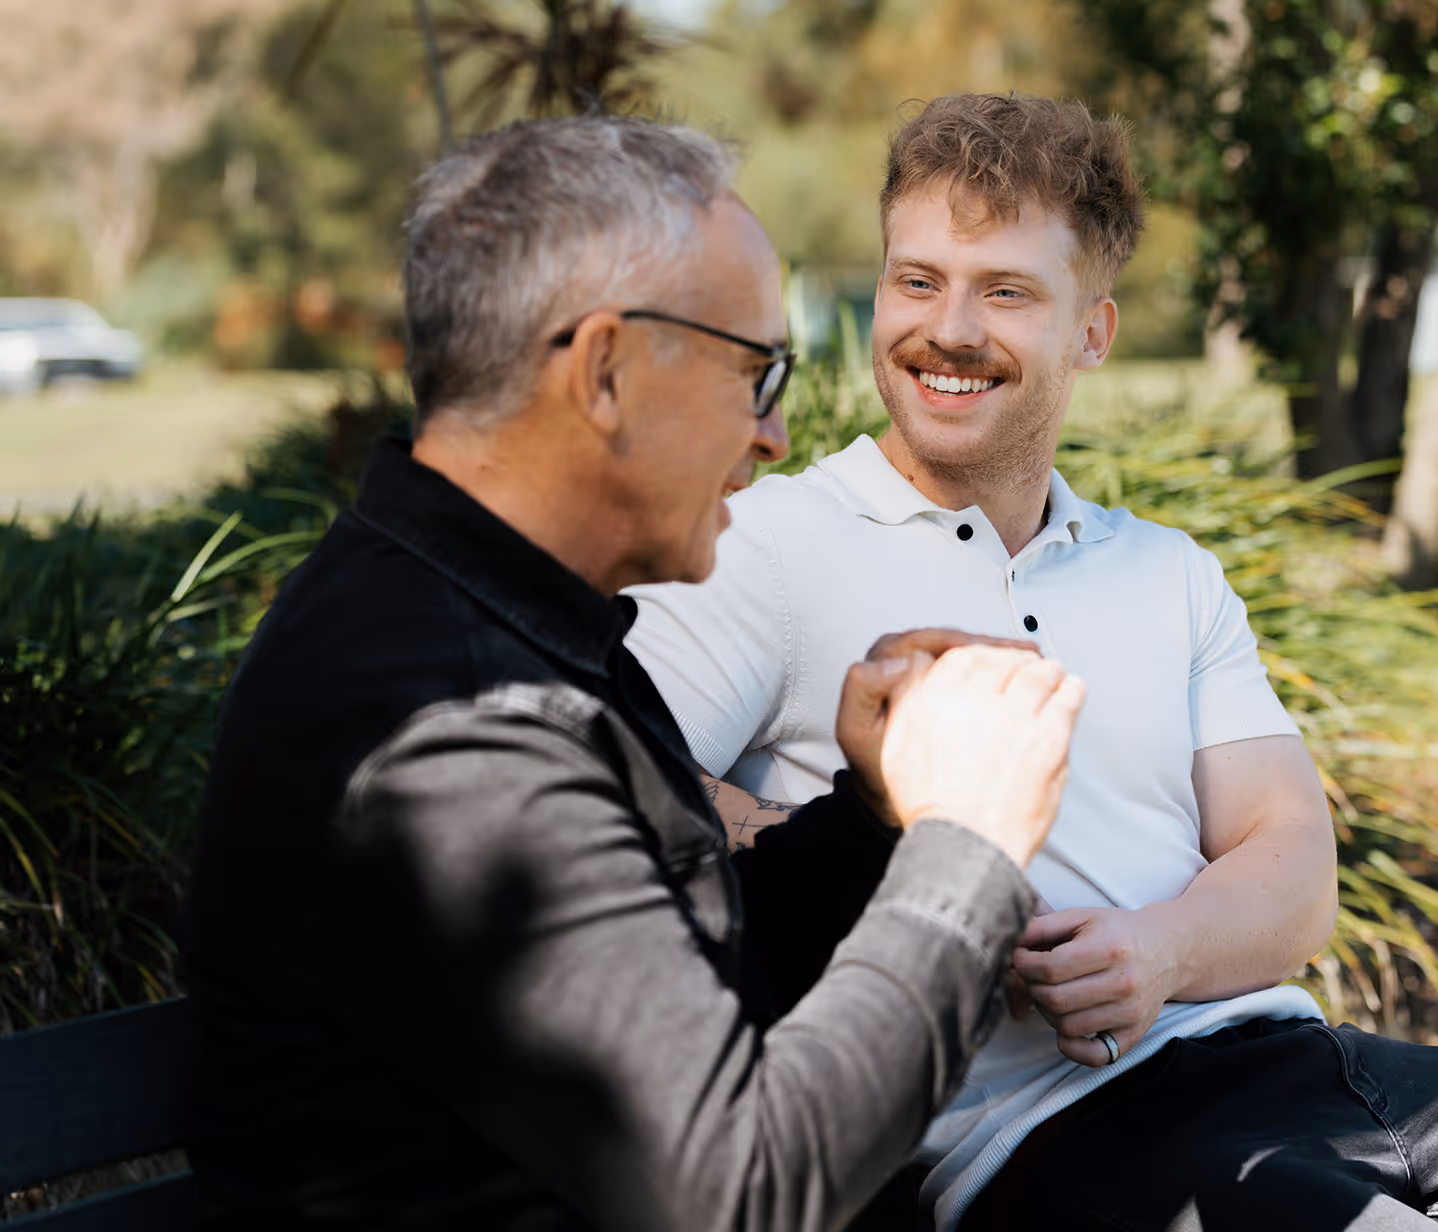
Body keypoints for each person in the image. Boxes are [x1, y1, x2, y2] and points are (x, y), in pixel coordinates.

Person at [625, 93, 1438, 1231]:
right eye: (917, 280)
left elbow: (1294, 862)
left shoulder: (1167, 571)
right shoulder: (772, 544)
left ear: (1092, 332)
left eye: (1005, 291)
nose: (948, 329)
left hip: (1305, 1064)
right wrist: (876, 863)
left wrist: (1157, 952)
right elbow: (616, 779)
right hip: (1050, 1138)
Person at [185, 114, 1089, 1232]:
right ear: (606, 369)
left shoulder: (497, 614)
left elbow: (669, 949)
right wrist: (970, 844)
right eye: (756, 372)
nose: (774, 434)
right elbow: (741, 1191)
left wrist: (875, 812)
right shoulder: (455, 725)